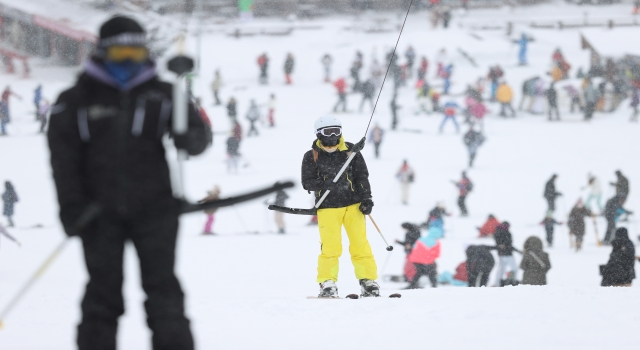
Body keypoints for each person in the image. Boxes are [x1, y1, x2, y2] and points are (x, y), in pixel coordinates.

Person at [47, 16, 210, 349]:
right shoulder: (76, 99)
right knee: (102, 295)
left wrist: (188, 135)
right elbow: (64, 162)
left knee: (164, 293)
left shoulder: (163, 93)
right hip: (98, 213)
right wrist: (71, 209)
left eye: (136, 53)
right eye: (121, 51)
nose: (128, 60)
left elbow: (197, 140)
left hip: (155, 210)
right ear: (103, 52)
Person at [301, 115, 379, 298]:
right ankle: (327, 283)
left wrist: (367, 199)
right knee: (331, 247)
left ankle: (368, 281)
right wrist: (324, 184)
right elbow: (307, 182)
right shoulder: (311, 156)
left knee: (360, 245)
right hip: (328, 207)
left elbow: (362, 177)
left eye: (337, 131)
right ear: (319, 134)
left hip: (354, 205)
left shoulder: (351, 151)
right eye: (328, 132)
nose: (333, 136)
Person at [406, 224, 442, 289]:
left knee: (419, 272)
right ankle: (434, 285)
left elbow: (413, 247)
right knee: (432, 272)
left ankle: (412, 284)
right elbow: (436, 254)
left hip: (415, 259)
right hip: (427, 260)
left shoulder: (421, 239)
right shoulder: (436, 242)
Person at [493, 222, 519, 287]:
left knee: (501, 270)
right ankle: (512, 281)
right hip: (508, 254)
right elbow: (509, 245)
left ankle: (497, 283)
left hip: (501, 254)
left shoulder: (497, 233)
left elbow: (500, 245)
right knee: (513, 269)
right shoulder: (506, 233)